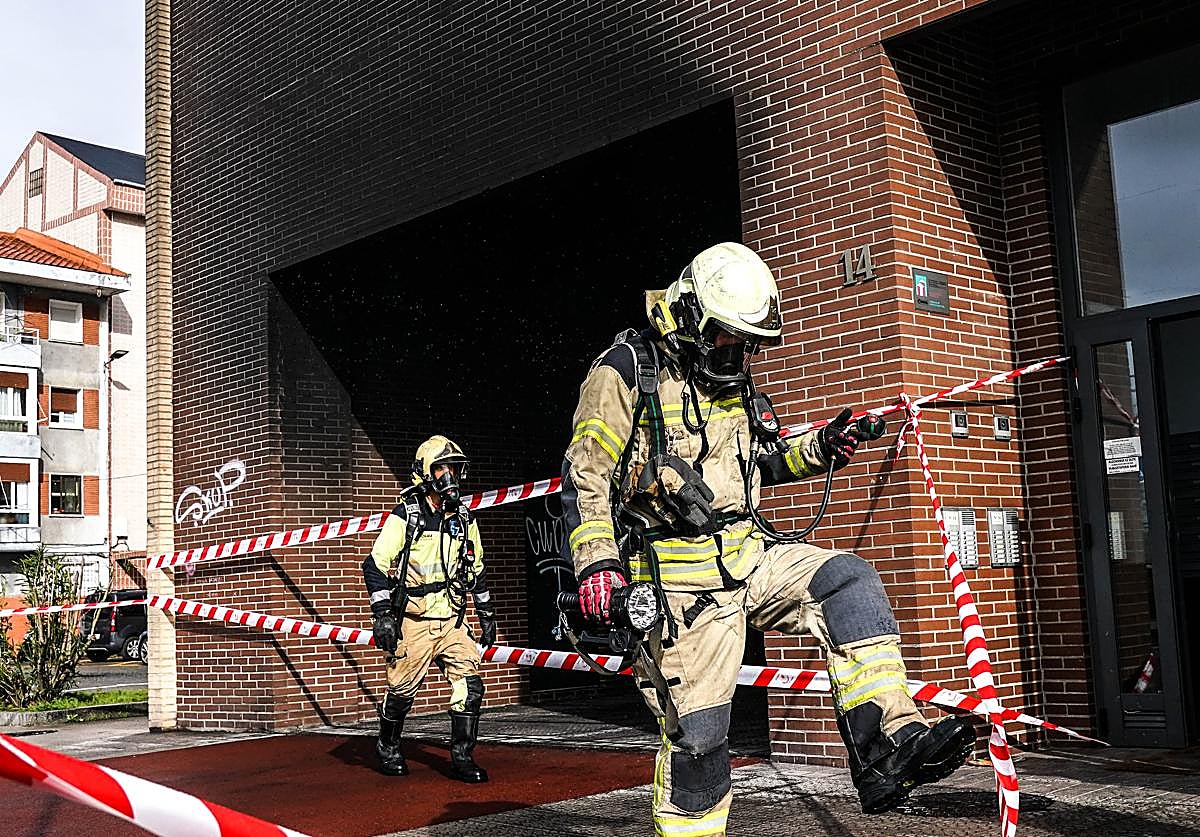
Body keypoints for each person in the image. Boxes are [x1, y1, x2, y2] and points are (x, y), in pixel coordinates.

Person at [560, 242, 974, 836]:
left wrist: (822, 447)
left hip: (749, 555)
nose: (741, 351)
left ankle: (889, 749)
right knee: (699, 743)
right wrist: (598, 565)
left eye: (749, 340)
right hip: (676, 584)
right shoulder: (624, 374)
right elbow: (585, 477)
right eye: (730, 336)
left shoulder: (734, 380)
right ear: (692, 316)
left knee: (847, 580)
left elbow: (766, 460)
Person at [362, 434, 497, 783]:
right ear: (425, 473)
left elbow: (476, 567)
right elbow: (375, 565)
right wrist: (383, 616)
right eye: (441, 468)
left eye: (454, 468)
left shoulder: (464, 519)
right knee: (402, 692)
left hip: (452, 619)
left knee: (470, 686)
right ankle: (388, 746)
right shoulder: (406, 514)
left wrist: (486, 613)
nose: (449, 476)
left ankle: (462, 758)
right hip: (415, 619)